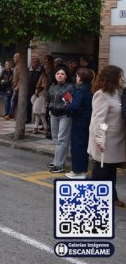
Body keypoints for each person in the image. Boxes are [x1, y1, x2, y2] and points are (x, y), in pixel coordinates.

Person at [88, 65, 125, 208]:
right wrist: (99, 139)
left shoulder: (117, 92)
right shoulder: (101, 94)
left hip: (116, 140)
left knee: (110, 170)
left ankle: (111, 195)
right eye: (120, 76)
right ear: (112, 78)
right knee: (101, 170)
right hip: (106, 139)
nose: (122, 78)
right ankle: (94, 198)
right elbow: (97, 120)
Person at [63, 68, 94, 179]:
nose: (76, 78)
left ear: (80, 78)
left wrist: (67, 105)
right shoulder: (90, 89)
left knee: (77, 146)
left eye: (77, 76)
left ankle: (77, 171)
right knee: (84, 146)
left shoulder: (81, 90)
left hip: (79, 120)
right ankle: (82, 170)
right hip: (87, 120)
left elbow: (75, 105)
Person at [46, 67, 75, 173]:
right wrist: (48, 105)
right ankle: (56, 161)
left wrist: (63, 107)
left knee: (62, 139)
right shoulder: (52, 87)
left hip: (65, 115)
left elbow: (69, 101)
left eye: (62, 74)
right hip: (53, 114)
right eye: (58, 73)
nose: (59, 75)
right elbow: (47, 97)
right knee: (55, 138)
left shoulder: (70, 87)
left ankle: (59, 165)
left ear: (66, 76)